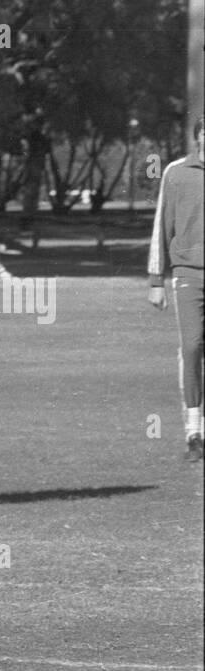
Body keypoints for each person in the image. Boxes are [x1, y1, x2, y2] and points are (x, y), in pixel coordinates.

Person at [148, 116, 204, 462]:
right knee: (192, 346)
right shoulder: (176, 172)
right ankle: (194, 432)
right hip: (188, 275)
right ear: (198, 136)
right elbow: (162, 224)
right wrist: (157, 280)